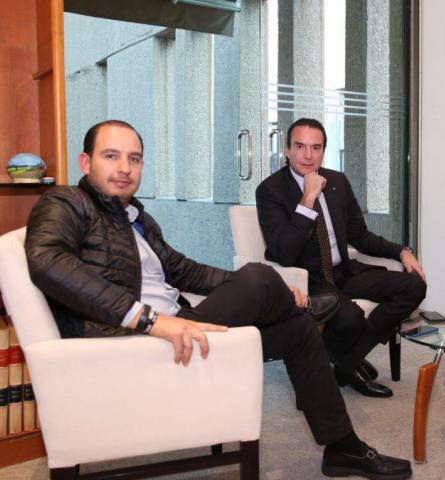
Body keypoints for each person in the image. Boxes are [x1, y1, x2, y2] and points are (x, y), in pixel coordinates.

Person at [25, 120, 412, 479]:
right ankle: (304, 303)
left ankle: (342, 448)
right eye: (111, 156)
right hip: (132, 341)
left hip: (180, 326)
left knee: (295, 326)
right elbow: (46, 260)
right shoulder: (65, 203)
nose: (124, 168)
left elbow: (184, 271)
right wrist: (148, 319)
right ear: (85, 162)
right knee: (262, 277)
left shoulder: (136, 218)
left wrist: (255, 289)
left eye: (134, 158)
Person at [255, 118, 427, 398]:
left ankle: (347, 362)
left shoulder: (337, 182)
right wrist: (307, 200)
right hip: (308, 278)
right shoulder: (270, 190)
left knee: (414, 285)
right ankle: (349, 362)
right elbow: (285, 252)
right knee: (349, 319)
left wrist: (401, 251)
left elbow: (360, 235)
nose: (308, 155)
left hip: (343, 271)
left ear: (323, 151)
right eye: (300, 146)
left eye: (316, 147)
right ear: (287, 150)